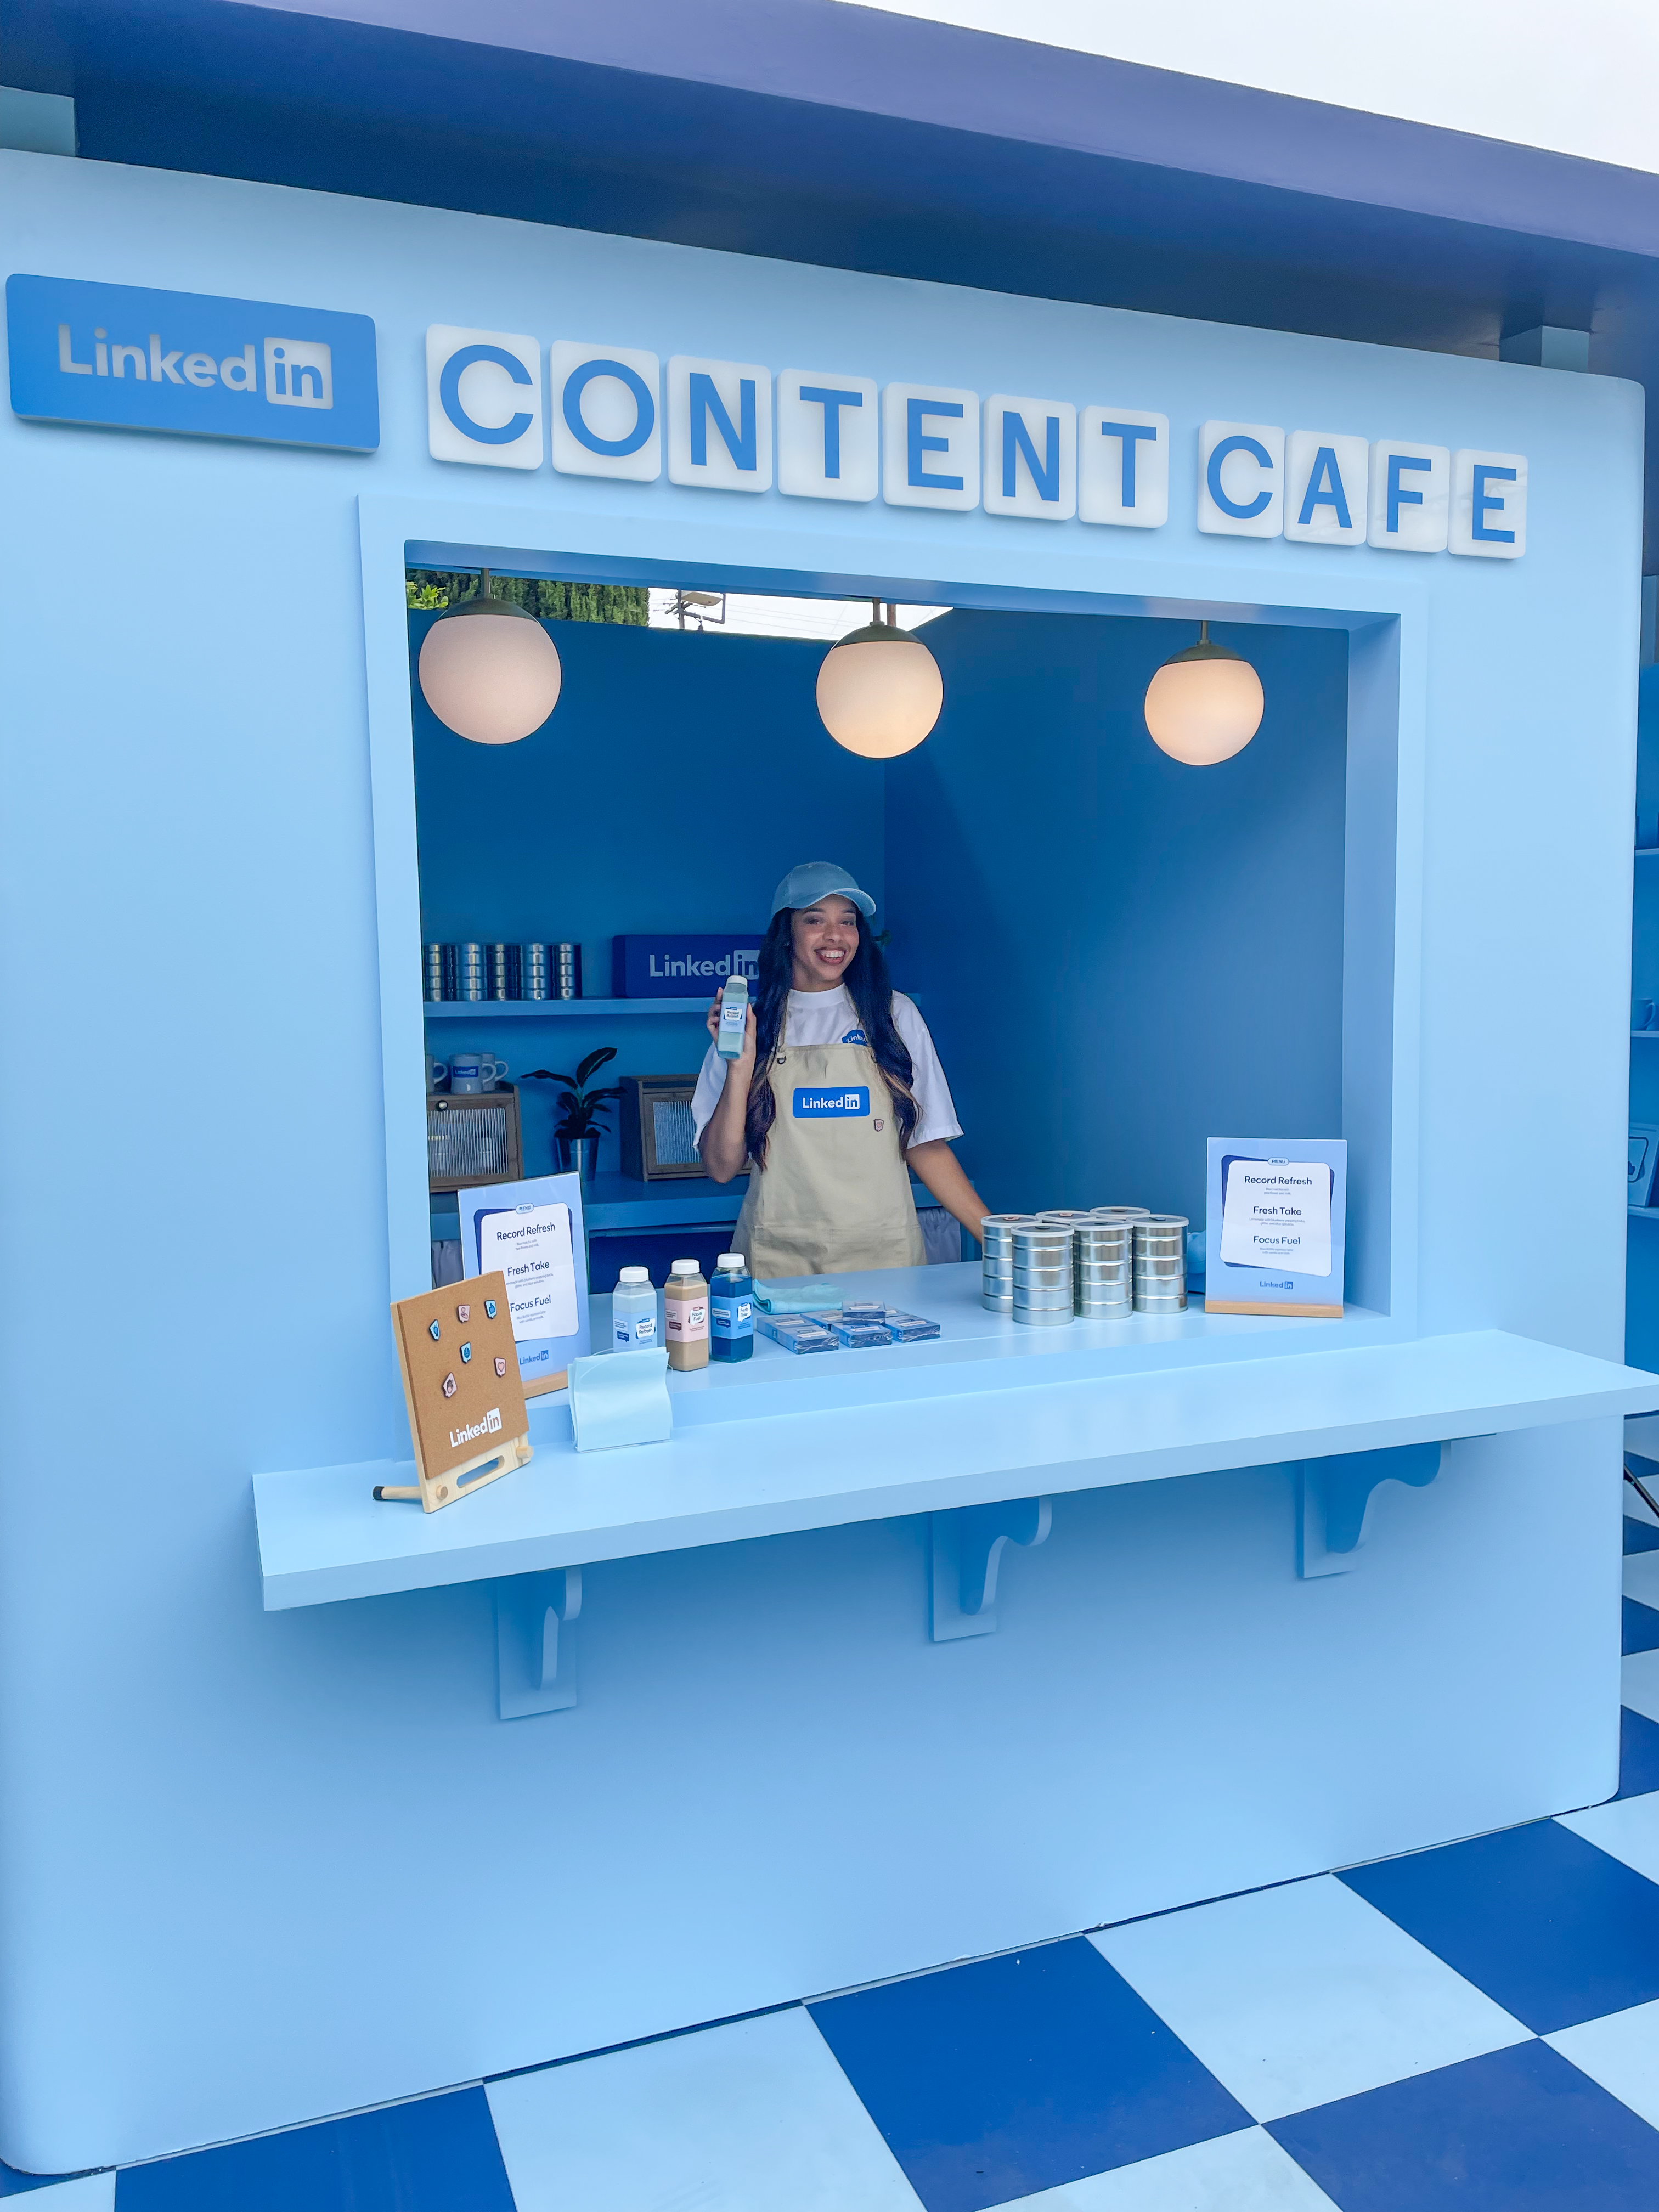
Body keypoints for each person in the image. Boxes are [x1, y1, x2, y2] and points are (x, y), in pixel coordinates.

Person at [693, 861, 990, 1278]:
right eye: (815, 920)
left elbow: (925, 1145)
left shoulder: (893, 1015)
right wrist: (740, 1068)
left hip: (884, 1259)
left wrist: (1000, 1243)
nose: (835, 936)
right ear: (786, 933)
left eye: (847, 922)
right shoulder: (750, 1027)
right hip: (779, 1260)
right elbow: (721, 1168)